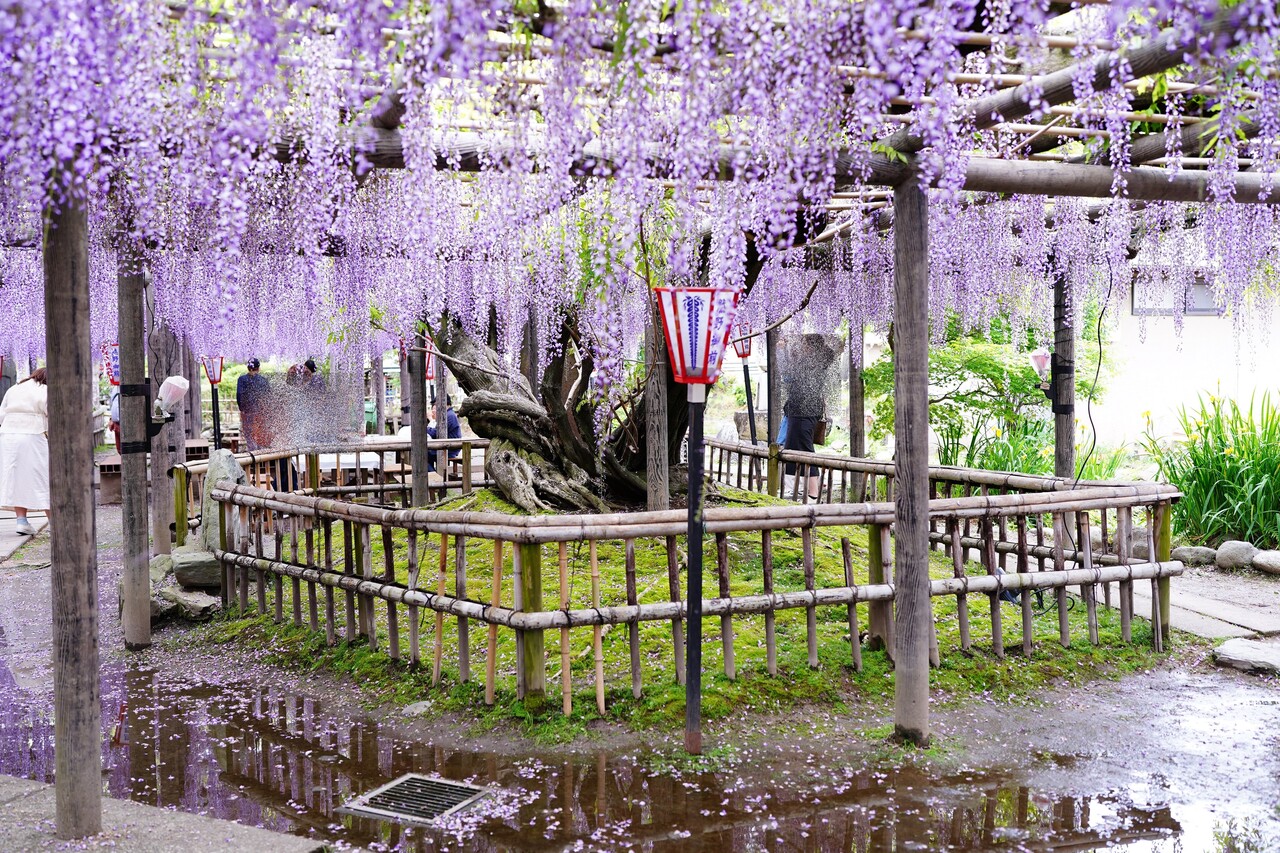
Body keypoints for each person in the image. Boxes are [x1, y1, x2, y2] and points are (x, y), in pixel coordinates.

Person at [779, 335, 837, 502]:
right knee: (795, 449)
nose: (801, 347)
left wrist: (782, 352)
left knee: (805, 450)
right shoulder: (815, 362)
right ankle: (799, 489)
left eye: (804, 345)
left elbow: (787, 373)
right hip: (802, 412)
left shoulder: (811, 363)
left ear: (812, 348)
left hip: (803, 412)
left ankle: (813, 493)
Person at [0, 368, 49, 536]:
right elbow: (52, 413)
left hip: (8, 435)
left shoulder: (14, 388)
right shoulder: (45, 389)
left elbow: (1, 414)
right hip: (32, 434)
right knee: (43, 476)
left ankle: (21, 521)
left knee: (17, 478)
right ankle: (54, 521)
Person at [236, 358, 271, 451]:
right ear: (258, 368)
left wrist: (242, 409)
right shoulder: (263, 380)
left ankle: (252, 453)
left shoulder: (242, 379)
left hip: (248, 412)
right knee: (260, 433)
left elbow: (239, 394)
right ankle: (260, 452)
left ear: (248, 368)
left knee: (249, 434)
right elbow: (268, 397)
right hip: (261, 412)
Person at [426, 395, 462, 472]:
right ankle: (433, 474)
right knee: (425, 453)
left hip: (450, 449)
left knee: (422, 455)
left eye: (436, 404)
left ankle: (434, 476)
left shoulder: (449, 416)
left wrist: (425, 428)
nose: (435, 407)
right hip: (448, 446)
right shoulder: (448, 414)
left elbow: (435, 433)